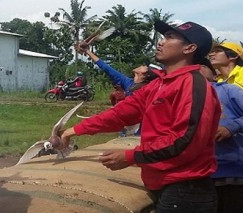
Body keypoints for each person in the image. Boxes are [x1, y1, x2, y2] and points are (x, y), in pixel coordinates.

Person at [62, 20, 220, 212]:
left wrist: (131, 156)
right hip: (166, 186)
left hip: (187, 191)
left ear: (190, 48)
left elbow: (185, 141)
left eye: (170, 37)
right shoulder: (159, 84)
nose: (161, 42)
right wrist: (72, 131)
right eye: (163, 37)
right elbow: (120, 114)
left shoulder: (193, 85)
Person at [199, 58, 243, 213]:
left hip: (240, 176)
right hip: (203, 179)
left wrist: (232, 127)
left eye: (202, 66)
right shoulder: (181, 97)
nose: (196, 68)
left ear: (215, 75)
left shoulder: (229, 90)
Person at [75, 45, 158, 136]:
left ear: (145, 74)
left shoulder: (147, 91)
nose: (142, 65)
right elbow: (105, 67)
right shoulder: (128, 83)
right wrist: (87, 51)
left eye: (145, 66)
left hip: (140, 132)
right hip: (127, 127)